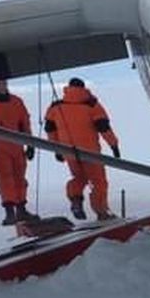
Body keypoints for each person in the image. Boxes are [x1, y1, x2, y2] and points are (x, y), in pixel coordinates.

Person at [43, 77, 121, 221]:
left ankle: (75, 200)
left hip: (69, 152)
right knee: (98, 182)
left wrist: (56, 148)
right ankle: (102, 213)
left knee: (79, 178)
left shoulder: (55, 107)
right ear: (84, 88)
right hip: (90, 152)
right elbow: (103, 127)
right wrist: (114, 145)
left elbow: (49, 128)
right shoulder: (92, 104)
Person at [0, 79, 38, 225]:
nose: (2, 85)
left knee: (20, 178)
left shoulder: (17, 101)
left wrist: (30, 143)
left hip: (17, 146)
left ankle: (21, 209)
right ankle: (10, 212)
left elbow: (25, 122)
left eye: (3, 82)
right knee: (5, 179)